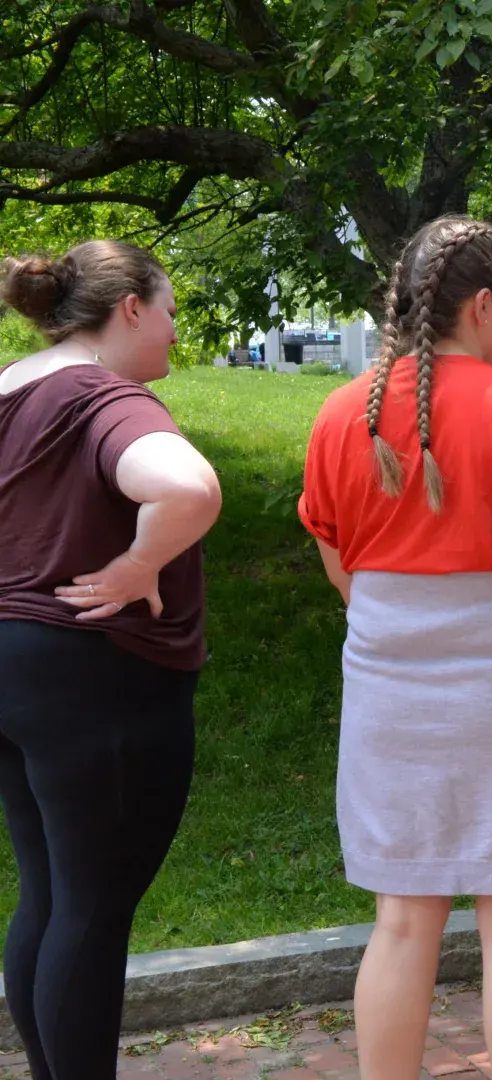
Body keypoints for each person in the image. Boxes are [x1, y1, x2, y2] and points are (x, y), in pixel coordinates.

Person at [299, 216, 492, 1080]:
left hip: (391, 690)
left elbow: (344, 570)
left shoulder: (340, 414)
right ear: (481, 304)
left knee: (402, 922)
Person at [0, 242, 221, 1080]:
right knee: (90, 911)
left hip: (14, 673)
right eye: (168, 312)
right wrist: (136, 567)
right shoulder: (103, 395)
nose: (172, 332)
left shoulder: (11, 385)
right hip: (98, 680)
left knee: (51, 897)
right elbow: (191, 488)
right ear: (129, 307)